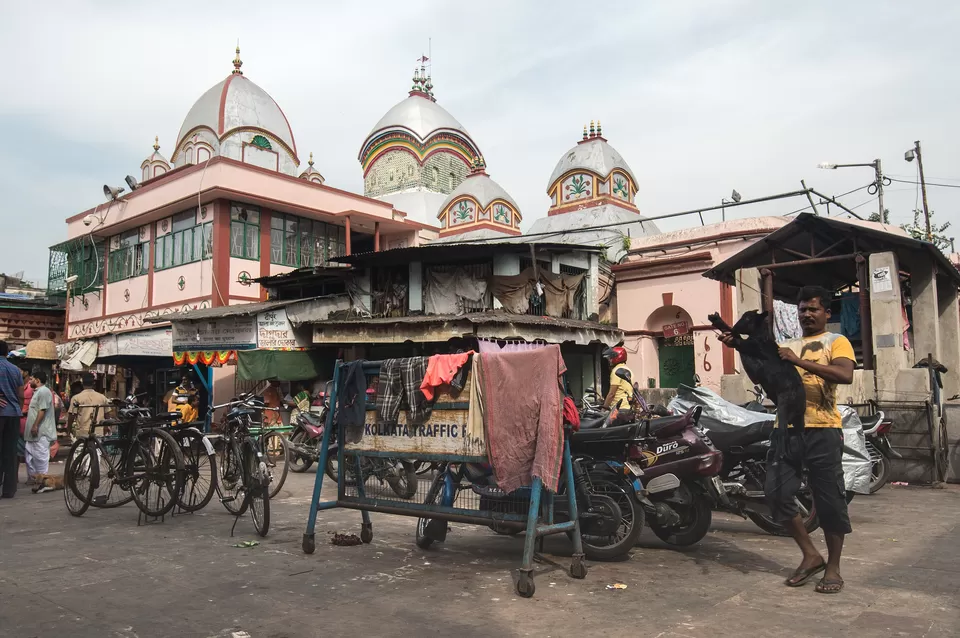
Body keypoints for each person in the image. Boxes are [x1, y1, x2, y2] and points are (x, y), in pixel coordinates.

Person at [719, 286, 854, 594]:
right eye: (802, 309)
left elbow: (844, 374)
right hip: (786, 429)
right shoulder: (785, 344)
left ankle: (833, 568)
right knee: (775, 493)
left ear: (827, 313)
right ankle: (810, 554)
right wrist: (739, 347)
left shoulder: (836, 341)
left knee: (829, 501)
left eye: (813, 309)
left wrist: (798, 361)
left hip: (822, 429)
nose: (807, 314)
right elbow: (760, 376)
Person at [24, 371, 57, 488]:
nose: (30, 381)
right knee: (30, 457)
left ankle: (43, 481)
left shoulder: (44, 391)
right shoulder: (38, 392)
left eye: (32, 379)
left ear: (37, 380)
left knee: (40, 458)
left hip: (41, 432)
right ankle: (34, 479)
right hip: (33, 434)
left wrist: (35, 425)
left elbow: (42, 410)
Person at [0, 341, 25, 498]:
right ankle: (9, 489)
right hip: (14, 414)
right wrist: (17, 408)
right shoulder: (15, 369)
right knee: (10, 452)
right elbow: (21, 395)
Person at [66, 373, 109, 442]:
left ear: (82, 383)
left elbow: (71, 416)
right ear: (94, 383)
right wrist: (107, 427)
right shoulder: (102, 397)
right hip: (99, 431)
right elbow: (107, 415)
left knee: (82, 448)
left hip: (82, 432)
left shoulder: (76, 398)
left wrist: (68, 430)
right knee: (98, 448)